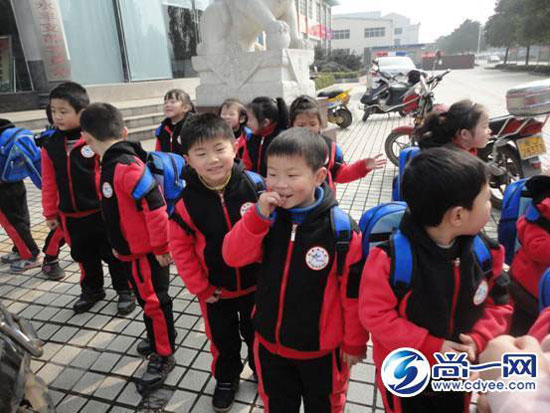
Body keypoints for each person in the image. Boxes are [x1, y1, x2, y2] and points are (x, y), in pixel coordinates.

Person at [223, 128, 368, 413]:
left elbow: (352, 293)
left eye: (292, 175)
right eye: (272, 174)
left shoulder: (340, 230)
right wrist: (257, 218)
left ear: (319, 176)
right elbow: (232, 256)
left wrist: (354, 342)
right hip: (269, 345)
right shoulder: (265, 218)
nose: (280, 184)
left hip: (321, 352)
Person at [359, 148, 512, 413]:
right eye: (487, 199)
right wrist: (432, 346)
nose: (491, 206)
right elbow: (375, 316)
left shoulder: (486, 253)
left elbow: (500, 304)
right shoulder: (391, 260)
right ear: (457, 215)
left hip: (457, 374)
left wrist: (478, 339)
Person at [80, 102, 176, 393]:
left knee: (155, 302)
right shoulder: (110, 164)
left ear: (86, 138)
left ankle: (163, 353)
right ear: (123, 130)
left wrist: (161, 246)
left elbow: (156, 207)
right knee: (148, 300)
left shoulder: (124, 167)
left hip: (147, 253)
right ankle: (159, 337)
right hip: (131, 252)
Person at [169, 113, 263, 412]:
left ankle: (262, 372)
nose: (212, 160)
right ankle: (226, 379)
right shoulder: (185, 203)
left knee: (259, 334)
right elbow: (180, 249)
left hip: (257, 286)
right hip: (216, 291)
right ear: (188, 159)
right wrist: (201, 287)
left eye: (219, 149)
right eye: (201, 153)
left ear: (235, 146)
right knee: (222, 340)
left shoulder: (255, 186)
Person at [41, 82, 135, 314]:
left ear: (82, 113)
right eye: (54, 111)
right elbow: (49, 182)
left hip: (101, 212)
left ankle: (125, 289)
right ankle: (92, 290)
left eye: (63, 111)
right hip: (71, 216)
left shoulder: (95, 140)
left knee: (114, 253)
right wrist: (50, 213)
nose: (57, 117)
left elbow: (112, 173)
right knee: (84, 256)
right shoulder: (50, 145)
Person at [289, 95, 386, 192]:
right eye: (301, 125)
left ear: (320, 124)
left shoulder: (330, 148)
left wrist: (362, 166)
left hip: (326, 201)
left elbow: (340, 174)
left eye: (312, 124)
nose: (307, 129)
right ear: (291, 125)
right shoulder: (284, 150)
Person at [510, 175, 550, 335]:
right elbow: (538, 249)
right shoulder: (542, 210)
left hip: (540, 291)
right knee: (522, 333)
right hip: (528, 290)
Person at [0, 119, 41, 272]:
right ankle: (19, 249)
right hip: (15, 181)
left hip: (3, 187)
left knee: (13, 223)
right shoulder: (6, 131)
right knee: (21, 218)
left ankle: (31, 255)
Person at [417, 99, 491, 155]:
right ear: (464, 134)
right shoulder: (453, 161)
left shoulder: (465, 152)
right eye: (485, 127)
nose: (490, 131)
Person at [241, 96, 289, 177]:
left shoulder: (282, 139)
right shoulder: (250, 138)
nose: (247, 123)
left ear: (266, 122)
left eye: (251, 119)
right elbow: (246, 165)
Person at [155, 89, 195, 155]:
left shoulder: (193, 127)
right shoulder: (161, 129)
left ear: (185, 108)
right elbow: (158, 153)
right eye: (165, 103)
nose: (167, 105)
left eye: (173, 102)